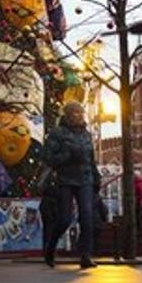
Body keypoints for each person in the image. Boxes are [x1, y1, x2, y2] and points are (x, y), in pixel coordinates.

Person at [40, 102, 100, 270]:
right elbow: (48, 158)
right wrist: (68, 156)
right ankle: (50, 247)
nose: (79, 115)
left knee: (87, 217)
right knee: (64, 219)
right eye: (75, 112)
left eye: (81, 112)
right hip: (66, 179)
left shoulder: (86, 134)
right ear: (67, 115)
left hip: (85, 179)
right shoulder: (58, 133)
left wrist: (96, 176)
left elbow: (91, 158)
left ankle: (86, 255)